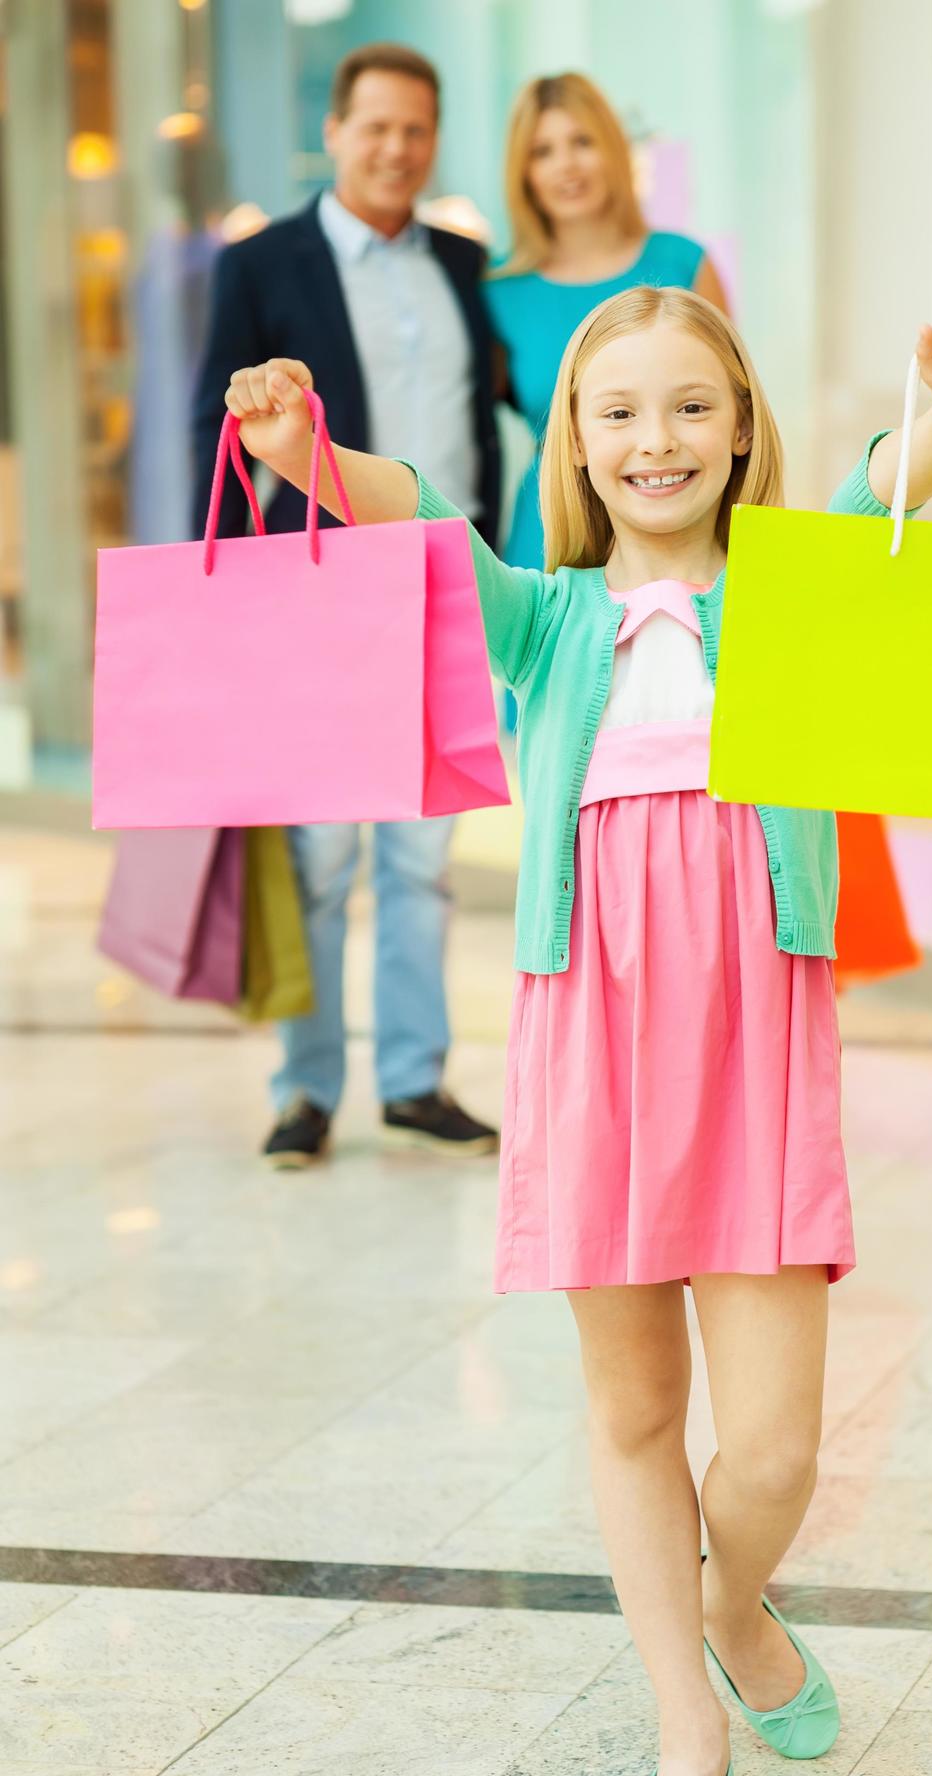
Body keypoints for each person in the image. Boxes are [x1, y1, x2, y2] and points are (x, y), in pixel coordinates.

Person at [222, 295, 932, 1776]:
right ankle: (682, 1723)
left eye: (688, 408)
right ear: (576, 444)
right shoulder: (548, 618)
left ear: (737, 427)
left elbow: (891, 485)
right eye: (617, 414)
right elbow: (418, 520)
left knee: (779, 1444)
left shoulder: (795, 592)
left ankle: (736, 1605)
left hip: (760, 1028)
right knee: (637, 1405)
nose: (654, 441)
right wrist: (295, 446)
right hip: (594, 1025)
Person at [191, 43, 500, 1166]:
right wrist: (218, 596)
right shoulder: (263, 264)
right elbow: (209, 431)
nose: (396, 149)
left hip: (448, 582)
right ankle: (306, 1086)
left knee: (421, 857)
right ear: (333, 130)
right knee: (320, 856)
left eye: (416, 130)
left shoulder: (468, 268)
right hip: (317, 596)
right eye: (375, 126)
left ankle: (415, 1081)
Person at [484, 72, 730, 582]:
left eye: (582, 142)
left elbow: (733, 406)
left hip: (680, 521)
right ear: (522, 171)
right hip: (550, 531)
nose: (566, 165)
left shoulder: (684, 263)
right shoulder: (498, 291)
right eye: (542, 151)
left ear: (614, 150)